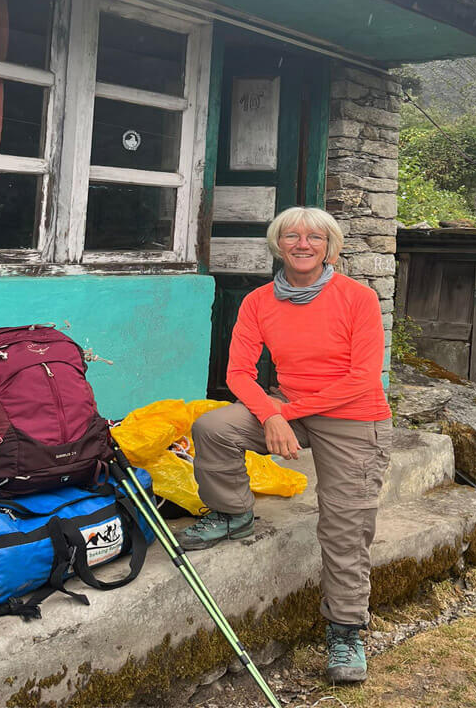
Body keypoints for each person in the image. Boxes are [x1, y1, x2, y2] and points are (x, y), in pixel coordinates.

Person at [180, 206, 392, 683]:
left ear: (330, 247)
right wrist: (271, 410)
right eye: (291, 236)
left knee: (344, 524)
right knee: (214, 427)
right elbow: (238, 373)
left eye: (314, 237)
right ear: (278, 244)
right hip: (289, 407)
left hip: (353, 416)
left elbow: (362, 379)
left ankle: (345, 629)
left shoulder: (357, 298)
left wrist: (282, 414)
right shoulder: (257, 302)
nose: (302, 244)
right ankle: (232, 513)